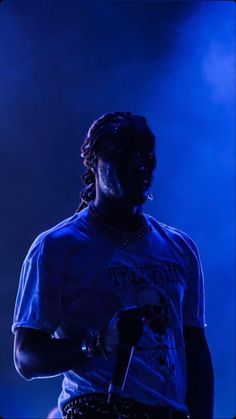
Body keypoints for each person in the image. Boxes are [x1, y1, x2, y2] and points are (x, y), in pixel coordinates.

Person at [12, 112, 214, 419]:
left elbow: (196, 352)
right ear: (93, 162)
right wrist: (97, 342)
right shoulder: (57, 247)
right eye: (121, 153)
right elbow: (26, 358)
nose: (137, 164)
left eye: (144, 153)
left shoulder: (180, 248)